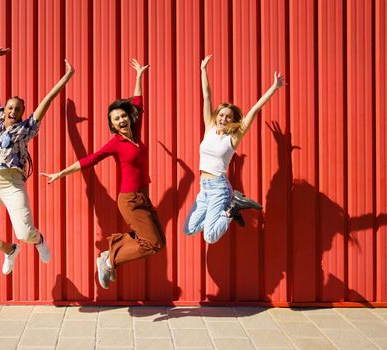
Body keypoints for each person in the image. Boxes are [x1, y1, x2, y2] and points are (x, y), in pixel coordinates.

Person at [41, 59, 165, 289]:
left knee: (159, 242)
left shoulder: (136, 133)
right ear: (113, 125)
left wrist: (139, 76)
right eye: (116, 119)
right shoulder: (115, 144)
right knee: (151, 244)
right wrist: (61, 173)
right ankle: (109, 258)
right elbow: (89, 160)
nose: (122, 120)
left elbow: (137, 103)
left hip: (143, 197)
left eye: (123, 116)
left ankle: (113, 248)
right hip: (130, 200)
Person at [0, 47, 74, 275]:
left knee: (25, 233)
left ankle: (38, 240)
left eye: (17, 108)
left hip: (12, 183)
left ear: (23, 112)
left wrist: (66, 78)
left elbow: (47, 100)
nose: (12, 111)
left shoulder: (26, 129)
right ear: (4, 109)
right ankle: (9, 250)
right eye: (9, 107)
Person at [183, 54, 285, 244]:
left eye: (228, 117)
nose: (223, 119)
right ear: (217, 115)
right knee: (189, 229)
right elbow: (207, 95)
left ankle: (231, 209)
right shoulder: (210, 128)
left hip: (219, 188)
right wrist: (203, 70)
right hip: (204, 188)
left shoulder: (233, 137)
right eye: (221, 115)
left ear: (233, 120)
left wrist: (274, 87)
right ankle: (230, 206)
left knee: (210, 237)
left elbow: (254, 110)